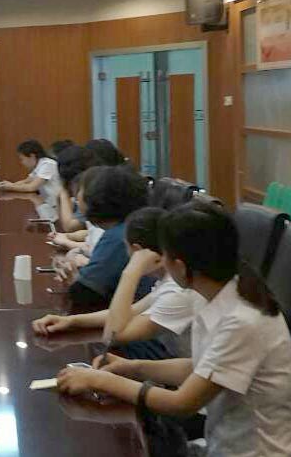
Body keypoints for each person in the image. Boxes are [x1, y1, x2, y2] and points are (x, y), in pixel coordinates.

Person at [57, 202, 291, 457]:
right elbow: (201, 368)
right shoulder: (216, 290)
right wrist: (132, 367)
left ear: (180, 266)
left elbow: (182, 403)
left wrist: (100, 380)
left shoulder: (242, 320)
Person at [34, 207, 198, 360]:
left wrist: (131, 271)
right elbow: (132, 311)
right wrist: (71, 321)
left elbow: (113, 336)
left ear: (137, 250)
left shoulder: (178, 291)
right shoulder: (169, 280)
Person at [66, 165, 154, 307]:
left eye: (81, 190)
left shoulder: (119, 236)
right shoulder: (129, 226)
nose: (76, 197)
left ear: (96, 198)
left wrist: (72, 274)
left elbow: (83, 293)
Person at [0, 140, 63, 207]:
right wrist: (11, 184)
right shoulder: (39, 164)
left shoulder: (47, 164)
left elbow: (31, 187)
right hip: (47, 202)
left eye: (22, 159)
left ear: (32, 156)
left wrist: (11, 187)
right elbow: (26, 181)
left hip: (56, 204)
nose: (22, 162)